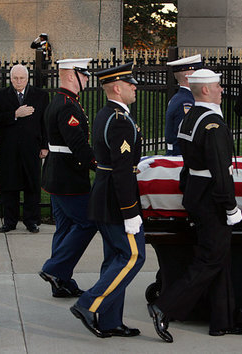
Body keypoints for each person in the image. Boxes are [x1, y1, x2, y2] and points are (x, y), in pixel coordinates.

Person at [147, 69, 242, 342]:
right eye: (217, 86)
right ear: (205, 90)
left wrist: (188, 193)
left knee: (220, 258)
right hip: (212, 200)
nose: (221, 90)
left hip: (196, 193)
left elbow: (187, 166)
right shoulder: (212, 123)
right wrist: (230, 207)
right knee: (210, 259)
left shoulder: (190, 117)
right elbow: (221, 171)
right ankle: (162, 307)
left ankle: (222, 320)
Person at [70, 63, 145, 338]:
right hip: (117, 200)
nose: (135, 87)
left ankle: (110, 321)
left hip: (105, 194)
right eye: (130, 84)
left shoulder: (107, 114)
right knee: (133, 256)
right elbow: (122, 169)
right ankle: (88, 304)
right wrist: (130, 212)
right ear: (116, 87)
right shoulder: (120, 120)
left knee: (115, 257)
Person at [39, 58, 98, 298]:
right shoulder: (68, 106)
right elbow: (78, 146)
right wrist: (99, 165)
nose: (87, 79)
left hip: (57, 175)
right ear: (72, 76)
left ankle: (61, 282)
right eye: (84, 75)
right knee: (87, 222)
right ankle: (54, 269)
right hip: (69, 178)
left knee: (64, 229)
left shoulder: (60, 101)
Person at [0, 64, 49, 233]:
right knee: (9, 186)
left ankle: (31, 221)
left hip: (32, 148)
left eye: (21, 78)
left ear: (27, 78)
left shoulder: (40, 96)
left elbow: (45, 122)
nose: (18, 81)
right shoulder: (0, 96)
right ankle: (10, 221)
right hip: (9, 150)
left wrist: (45, 146)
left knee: (31, 185)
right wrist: (15, 114)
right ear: (10, 79)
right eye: (15, 78)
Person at [164, 54, 203, 155]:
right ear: (188, 77)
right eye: (197, 73)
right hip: (180, 156)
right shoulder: (186, 102)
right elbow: (185, 135)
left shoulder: (180, 98)